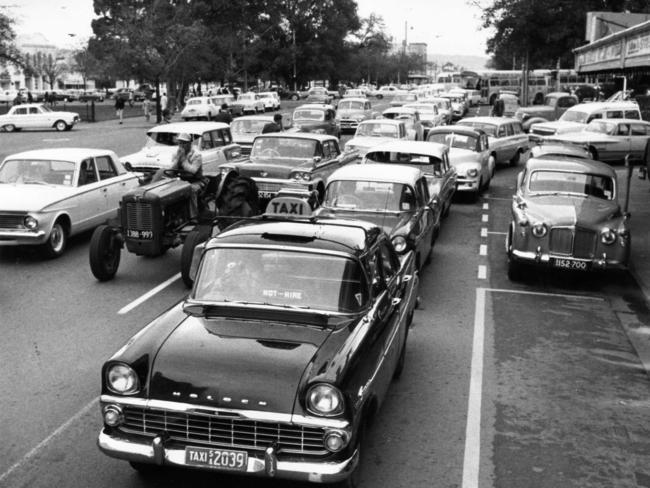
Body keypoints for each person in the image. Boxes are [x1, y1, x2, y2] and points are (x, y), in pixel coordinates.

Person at [165, 133, 204, 219]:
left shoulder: (196, 154)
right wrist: (177, 159)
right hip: (181, 181)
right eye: (180, 143)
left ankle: (193, 216)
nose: (181, 145)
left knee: (191, 190)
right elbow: (171, 171)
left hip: (195, 181)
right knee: (167, 190)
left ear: (189, 143)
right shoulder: (176, 153)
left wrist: (183, 160)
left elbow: (193, 170)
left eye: (184, 143)